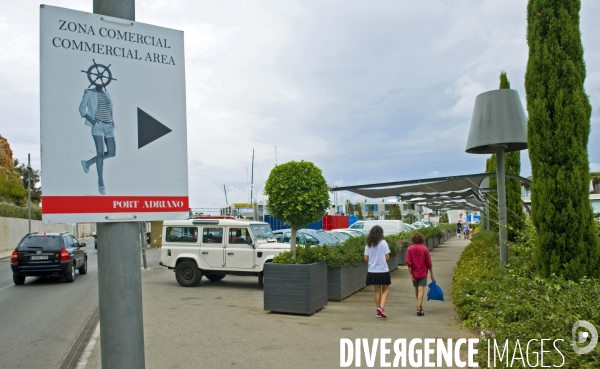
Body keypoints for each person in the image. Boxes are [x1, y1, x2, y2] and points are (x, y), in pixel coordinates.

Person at [79, 79, 116, 196]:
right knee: (100, 153)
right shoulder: (89, 93)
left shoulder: (107, 94)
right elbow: (81, 108)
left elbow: (110, 109)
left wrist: (112, 122)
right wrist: (93, 122)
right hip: (98, 125)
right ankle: (101, 182)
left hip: (109, 125)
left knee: (112, 152)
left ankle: (87, 163)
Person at [364, 225, 391, 319]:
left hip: (372, 271)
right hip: (383, 270)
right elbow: (387, 257)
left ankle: (378, 312)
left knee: (377, 290)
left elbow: (365, 258)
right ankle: (381, 307)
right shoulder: (383, 243)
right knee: (386, 289)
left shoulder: (368, 244)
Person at [406, 232, 434, 316]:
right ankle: (419, 308)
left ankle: (419, 305)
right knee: (421, 289)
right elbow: (428, 262)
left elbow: (409, 263)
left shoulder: (410, 249)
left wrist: (410, 274)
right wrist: (431, 273)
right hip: (422, 271)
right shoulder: (424, 249)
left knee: (416, 288)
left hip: (414, 272)